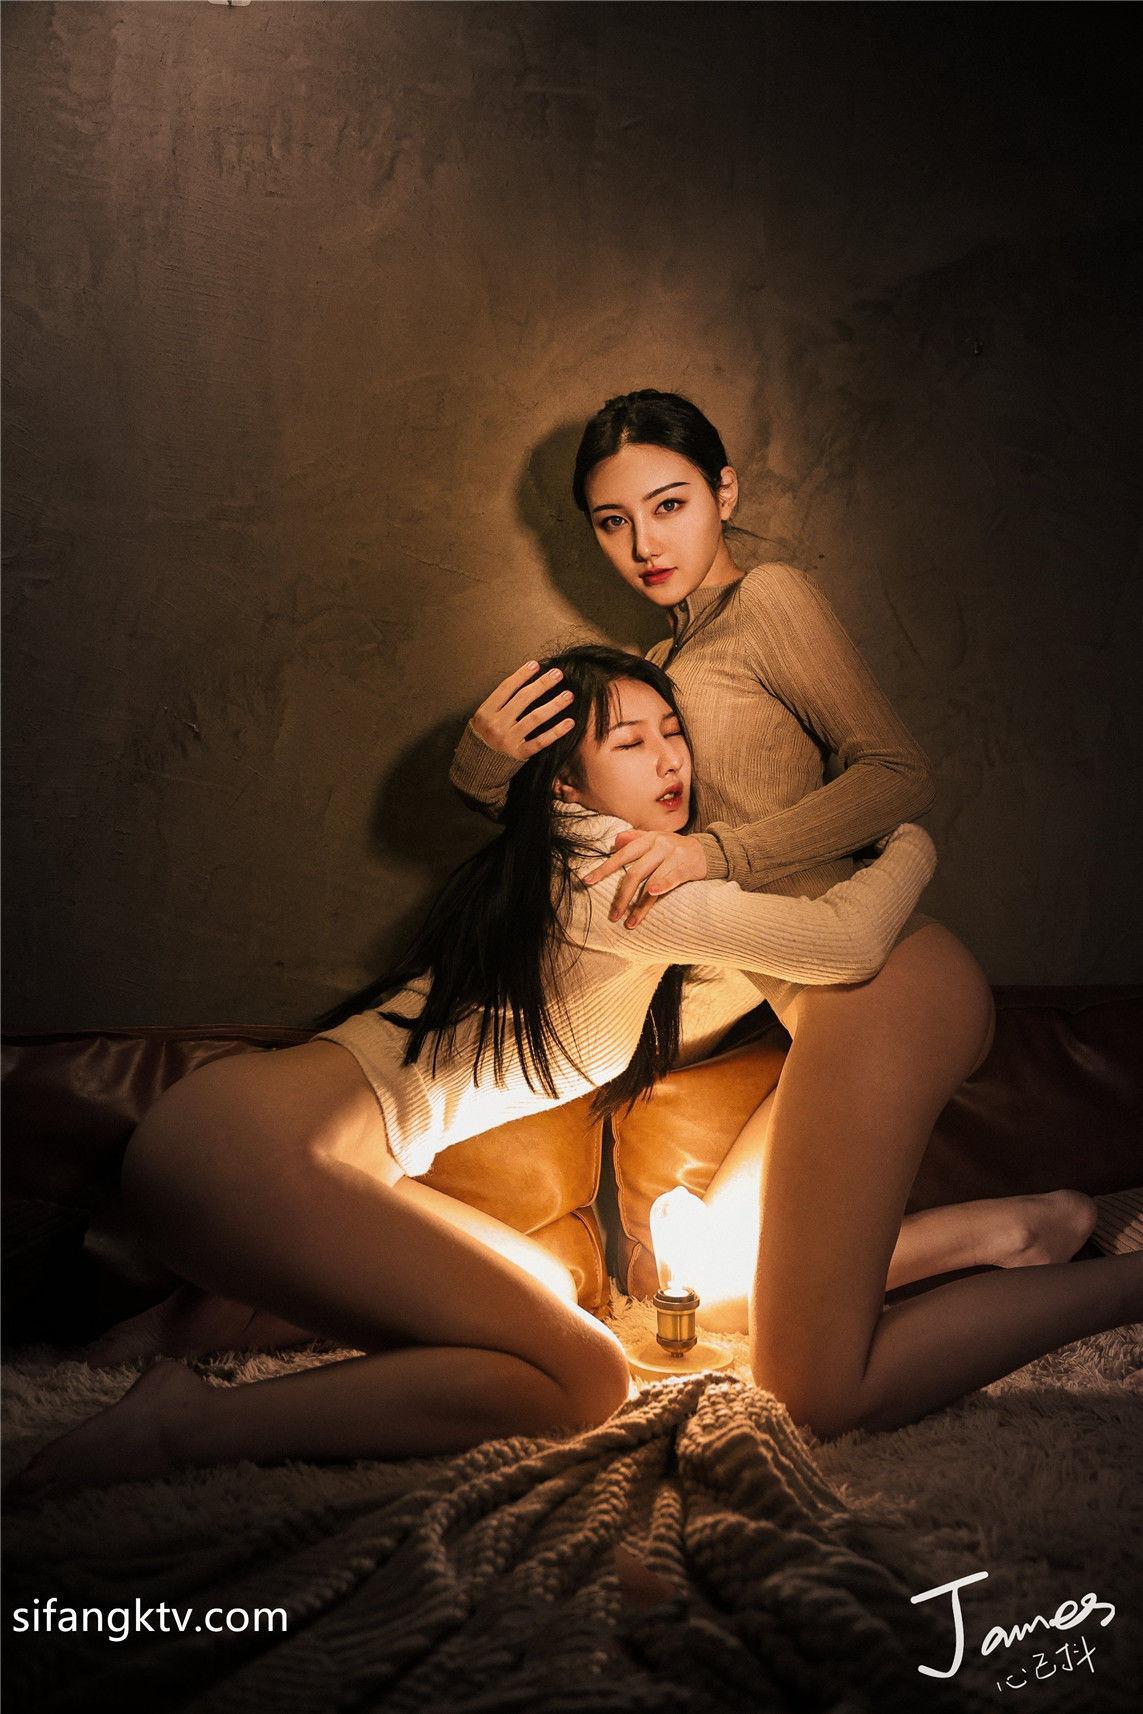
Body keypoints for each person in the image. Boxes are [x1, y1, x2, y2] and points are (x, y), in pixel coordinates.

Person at [9, 647, 939, 1498]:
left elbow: (523, 807)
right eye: (629, 742)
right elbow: (847, 942)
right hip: (244, 1152)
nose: (669, 762)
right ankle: (184, 1425)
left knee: (547, 1279)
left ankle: (194, 1320)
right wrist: (910, 842)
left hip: (268, 1157)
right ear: (566, 784)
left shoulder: (577, 860)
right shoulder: (614, 879)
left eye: (673, 733)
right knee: (589, 1377)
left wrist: (491, 771)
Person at [449, 390, 1138, 1434]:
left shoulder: (769, 599)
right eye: (612, 521)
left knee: (810, 1391)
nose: (644, 545)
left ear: (724, 492)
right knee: (714, 1287)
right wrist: (478, 765)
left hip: (883, 979)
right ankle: (1031, 1229)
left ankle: (1129, 1285)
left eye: (670, 504)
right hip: (815, 1006)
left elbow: (898, 772)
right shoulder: (653, 678)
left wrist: (720, 852)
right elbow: (554, 820)